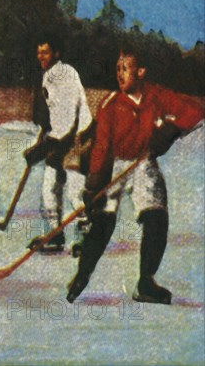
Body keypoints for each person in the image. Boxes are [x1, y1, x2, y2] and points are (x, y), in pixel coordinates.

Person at [66, 45, 204, 305]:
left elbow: (194, 112)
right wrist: (95, 184)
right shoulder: (111, 105)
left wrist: (169, 132)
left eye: (125, 68)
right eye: (118, 69)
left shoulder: (156, 95)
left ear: (140, 72)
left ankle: (146, 283)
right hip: (115, 165)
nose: (120, 74)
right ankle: (82, 275)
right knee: (103, 222)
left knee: (156, 217)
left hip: (143, 163)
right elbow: (101, 148)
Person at [24, 35, 94, 252]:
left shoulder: (64, 74)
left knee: (75, 191)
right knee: (49, 188)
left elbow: (69, 118)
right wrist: (42, 139)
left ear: (56, 53)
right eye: (38, 52)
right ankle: (55, 234)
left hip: (78, 138)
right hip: (60, 138)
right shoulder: (48, 76)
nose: (40, 56)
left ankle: (87, 235)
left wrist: (48, 148)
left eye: (45, 52)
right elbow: (51, 115)